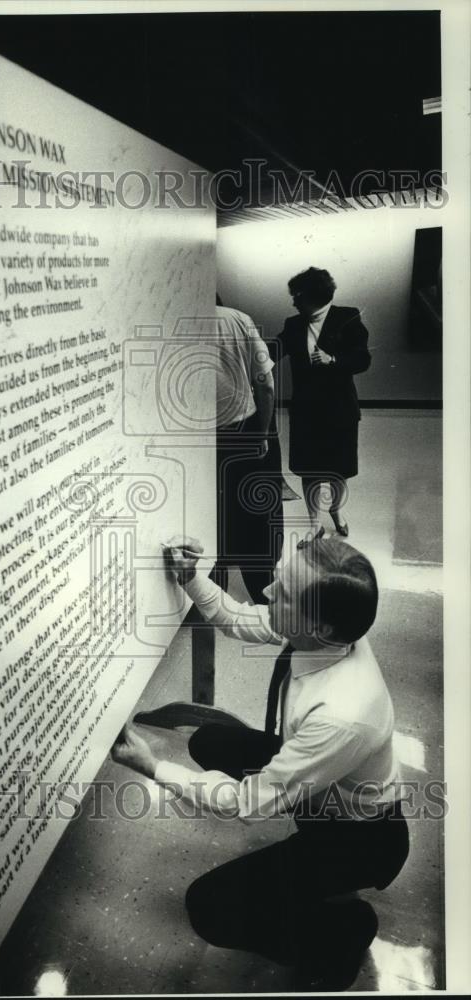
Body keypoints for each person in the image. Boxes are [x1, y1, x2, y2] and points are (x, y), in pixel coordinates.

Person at [112, 534, 408, 989]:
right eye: (279, 579)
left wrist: (153, 767)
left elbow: (244, 805)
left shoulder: (344, 713)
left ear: (322, 628)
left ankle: (343, 934)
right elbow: (234, 617)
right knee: (211, 742)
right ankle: (308, 884)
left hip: (359, 837)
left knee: (209, 908)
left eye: (283, 592)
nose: (268, 592)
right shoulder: (320, 629)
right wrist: (192, 578)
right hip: (322, 788)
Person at [277, 267, 371, 541]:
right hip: (306, 410)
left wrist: (334, 361)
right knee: (309, 469)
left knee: (338, 470)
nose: (293, 301)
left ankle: (336, 512)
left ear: (312, 295)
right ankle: (314, 524)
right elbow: (274, 350)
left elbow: (363, 359)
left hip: (339, 409)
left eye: (297, 295)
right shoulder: (293, 324)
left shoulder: (347, 317)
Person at [209, 303, 282, 604]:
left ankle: (211, 594)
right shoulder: (238, 318)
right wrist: (263, 433)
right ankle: (262, 593)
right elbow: (265, 384)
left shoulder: (172, 317)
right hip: (240, 429)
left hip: (193, 439)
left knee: (212, 515)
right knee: (253, 513)